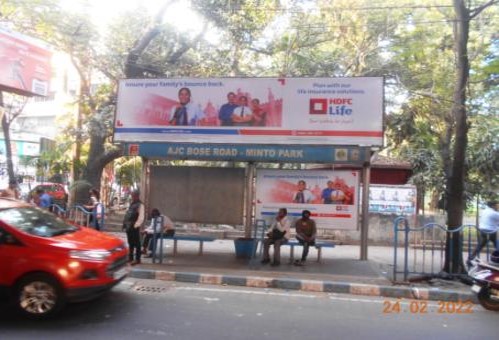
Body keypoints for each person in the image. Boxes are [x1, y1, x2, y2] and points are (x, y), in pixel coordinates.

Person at [468, 200, 499, 265]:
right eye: (497, 205)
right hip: (491, 231)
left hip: (483, 230)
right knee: (497, 244)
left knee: (480, 245)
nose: (498, 206)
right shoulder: (494, 213)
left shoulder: (485, 211)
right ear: (493, 206)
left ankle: (470, 259)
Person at [122, 190, 145, 265]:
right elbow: (128, 215)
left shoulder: (140, 205)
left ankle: (137, 259)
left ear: (137, 196)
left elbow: (141, 217)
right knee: (130, 243)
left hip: (134, 227)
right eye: (132, 196)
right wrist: (125, 224)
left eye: (133, 196)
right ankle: (130, 258)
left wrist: (136, 226)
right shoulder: (132, 204)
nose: (132, 197)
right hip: (129, 226)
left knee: (137, 243)